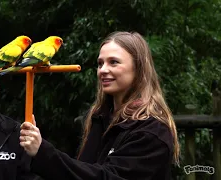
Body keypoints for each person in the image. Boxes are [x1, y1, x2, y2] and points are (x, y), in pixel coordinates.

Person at [19, 31, 180, 180]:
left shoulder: (151, 132)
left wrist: (43, 153)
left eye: (114, 62)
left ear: (138, 69)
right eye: (100, 63)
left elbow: (106, 177)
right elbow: (83, 171)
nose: (103, 70)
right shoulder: (100, 118)